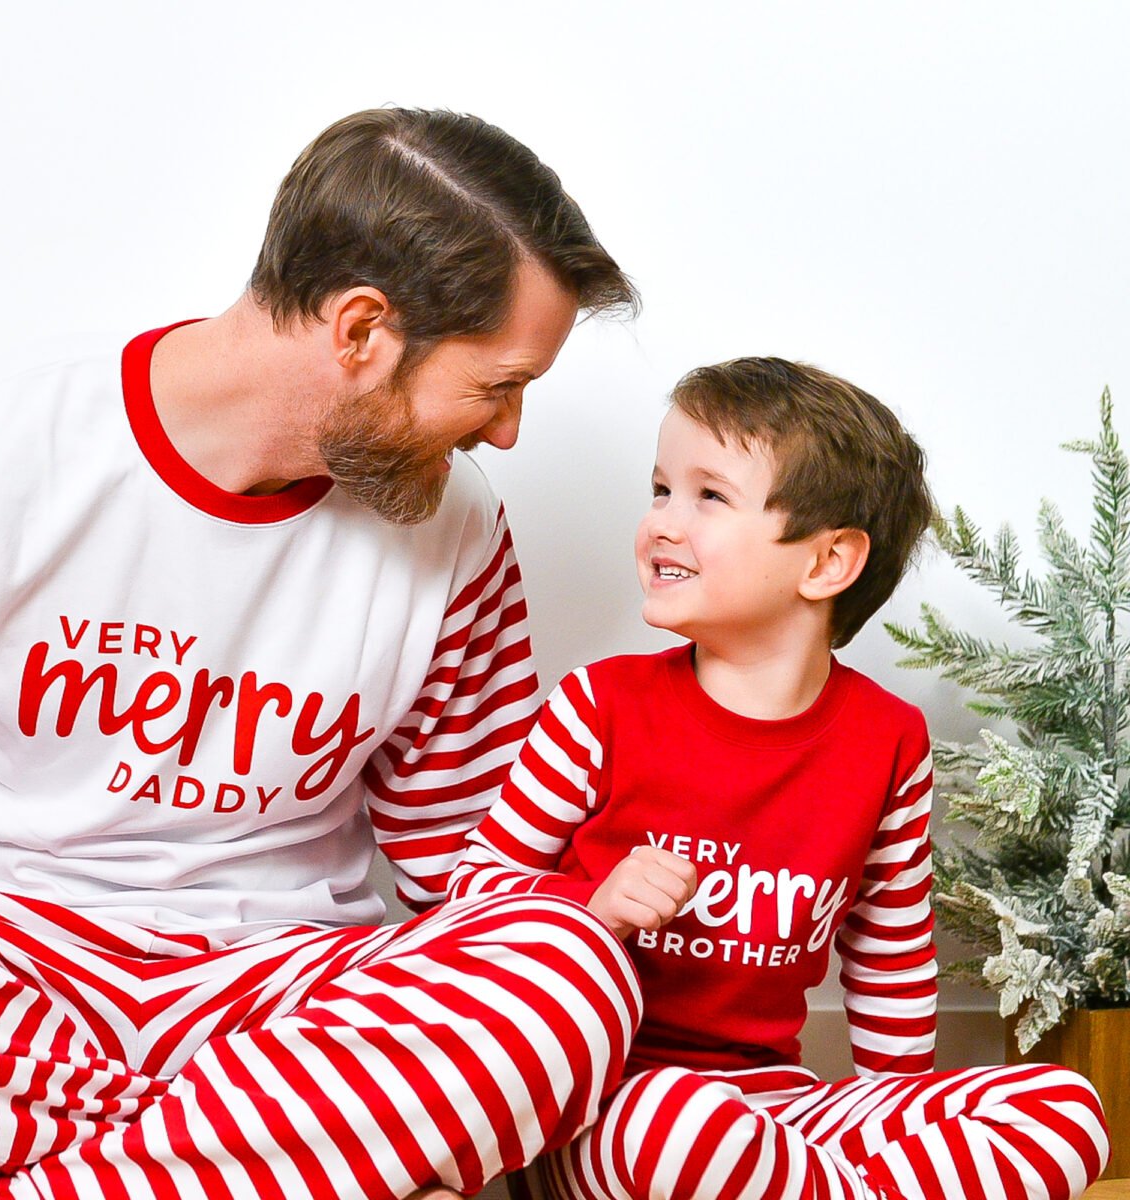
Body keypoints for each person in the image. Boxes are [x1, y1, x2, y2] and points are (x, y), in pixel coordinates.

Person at [0, 108, 644, 1199]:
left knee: (571, 971)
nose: (504, 434)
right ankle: (237, 1166)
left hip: (270, 1001)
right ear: (362, 330)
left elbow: (473, 868)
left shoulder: (457, 533)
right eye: (497, 387)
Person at [449, 358, 1110, 1200]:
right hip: (607, 1107)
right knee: (678, 1129)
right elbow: (470, 906)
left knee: (1068, 1108)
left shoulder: (888, 740)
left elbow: (890, 954)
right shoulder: (599, 706)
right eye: (660, 490)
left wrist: (890, 1113)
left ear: (829, 563)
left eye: (709, 496)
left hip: (778, 1112)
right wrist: (591, 907)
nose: (662, 523)